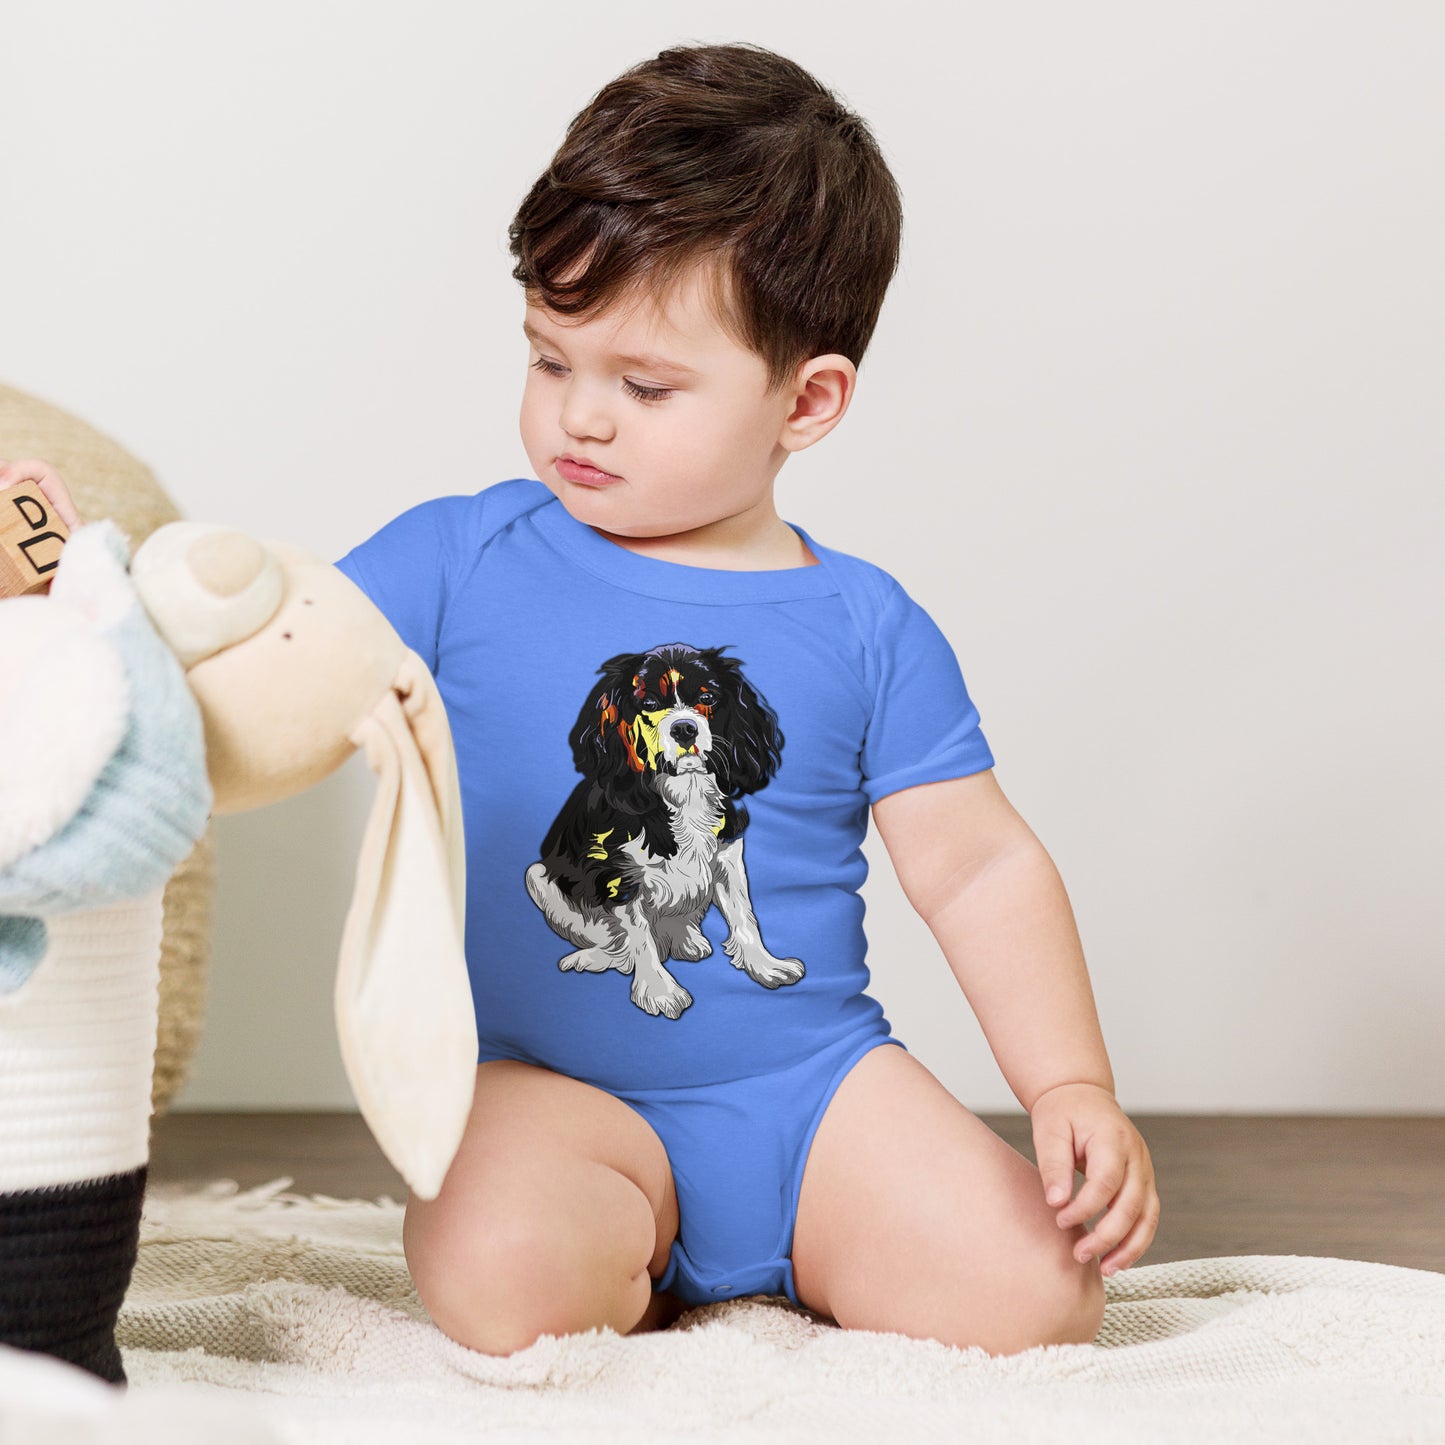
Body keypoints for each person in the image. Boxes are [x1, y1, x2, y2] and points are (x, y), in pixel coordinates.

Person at [7, 41, 1159, 1359]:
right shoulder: (460, 558)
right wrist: (88, 616)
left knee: (1039, 1297)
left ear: (808, 400)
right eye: (551, 361)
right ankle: (633, 1254)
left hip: (810, 1093)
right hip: (552, 1093)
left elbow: (978, 868)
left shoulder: (866, 623)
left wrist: (1067, 1083)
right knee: (498, 1278)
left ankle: (777, 1250)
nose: (580, 419)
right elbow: (272, 664)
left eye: (644, 385)